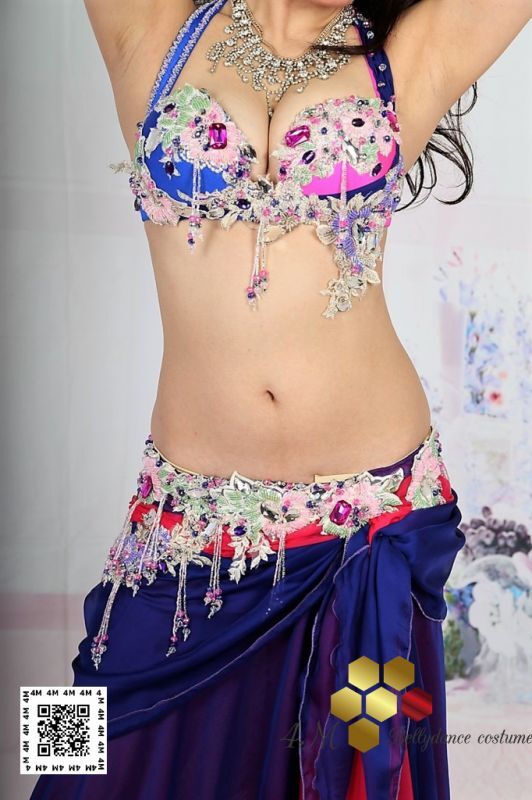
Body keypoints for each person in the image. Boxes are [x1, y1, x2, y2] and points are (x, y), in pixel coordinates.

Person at [29, 1, 531, 798]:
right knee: (74, 749)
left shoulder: (405, 55)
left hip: (371, 527)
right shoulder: (154, 28)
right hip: (184, 530)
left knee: (358, 764)